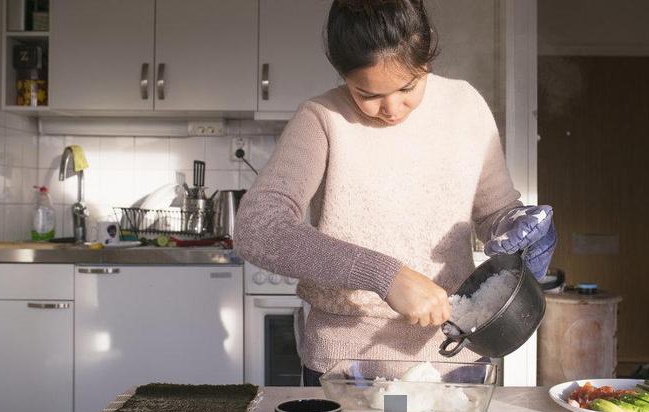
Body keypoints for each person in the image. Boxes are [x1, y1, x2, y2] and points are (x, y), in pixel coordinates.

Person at [234, 0, 556, 386]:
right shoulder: (321, 119)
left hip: (455, 359)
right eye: (366, 94)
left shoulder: (465, 107)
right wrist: (385, 276)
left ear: (427, 59)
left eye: (407, 87)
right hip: (348, 364)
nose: (391, 108)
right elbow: (257, 227)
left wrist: (516, 226)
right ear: (342, 73)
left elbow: (495, 213)